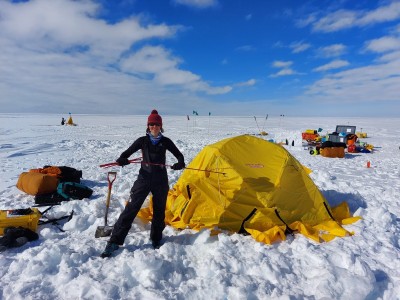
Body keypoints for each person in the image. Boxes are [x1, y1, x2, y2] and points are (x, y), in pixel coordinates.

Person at [101, 109, 185, 258]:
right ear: (148, 126)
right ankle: (114, 241)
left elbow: (179, 155)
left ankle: (156, 238)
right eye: (151, 124)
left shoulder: (166, 141)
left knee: (159, 211)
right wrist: (122, 160)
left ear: (161, 126)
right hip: (144, 179)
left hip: (160, 180)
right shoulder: (142, 141)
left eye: (157, 124)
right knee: (131, 209)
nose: (154, 127)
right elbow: (126, 153)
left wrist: (180, 163)